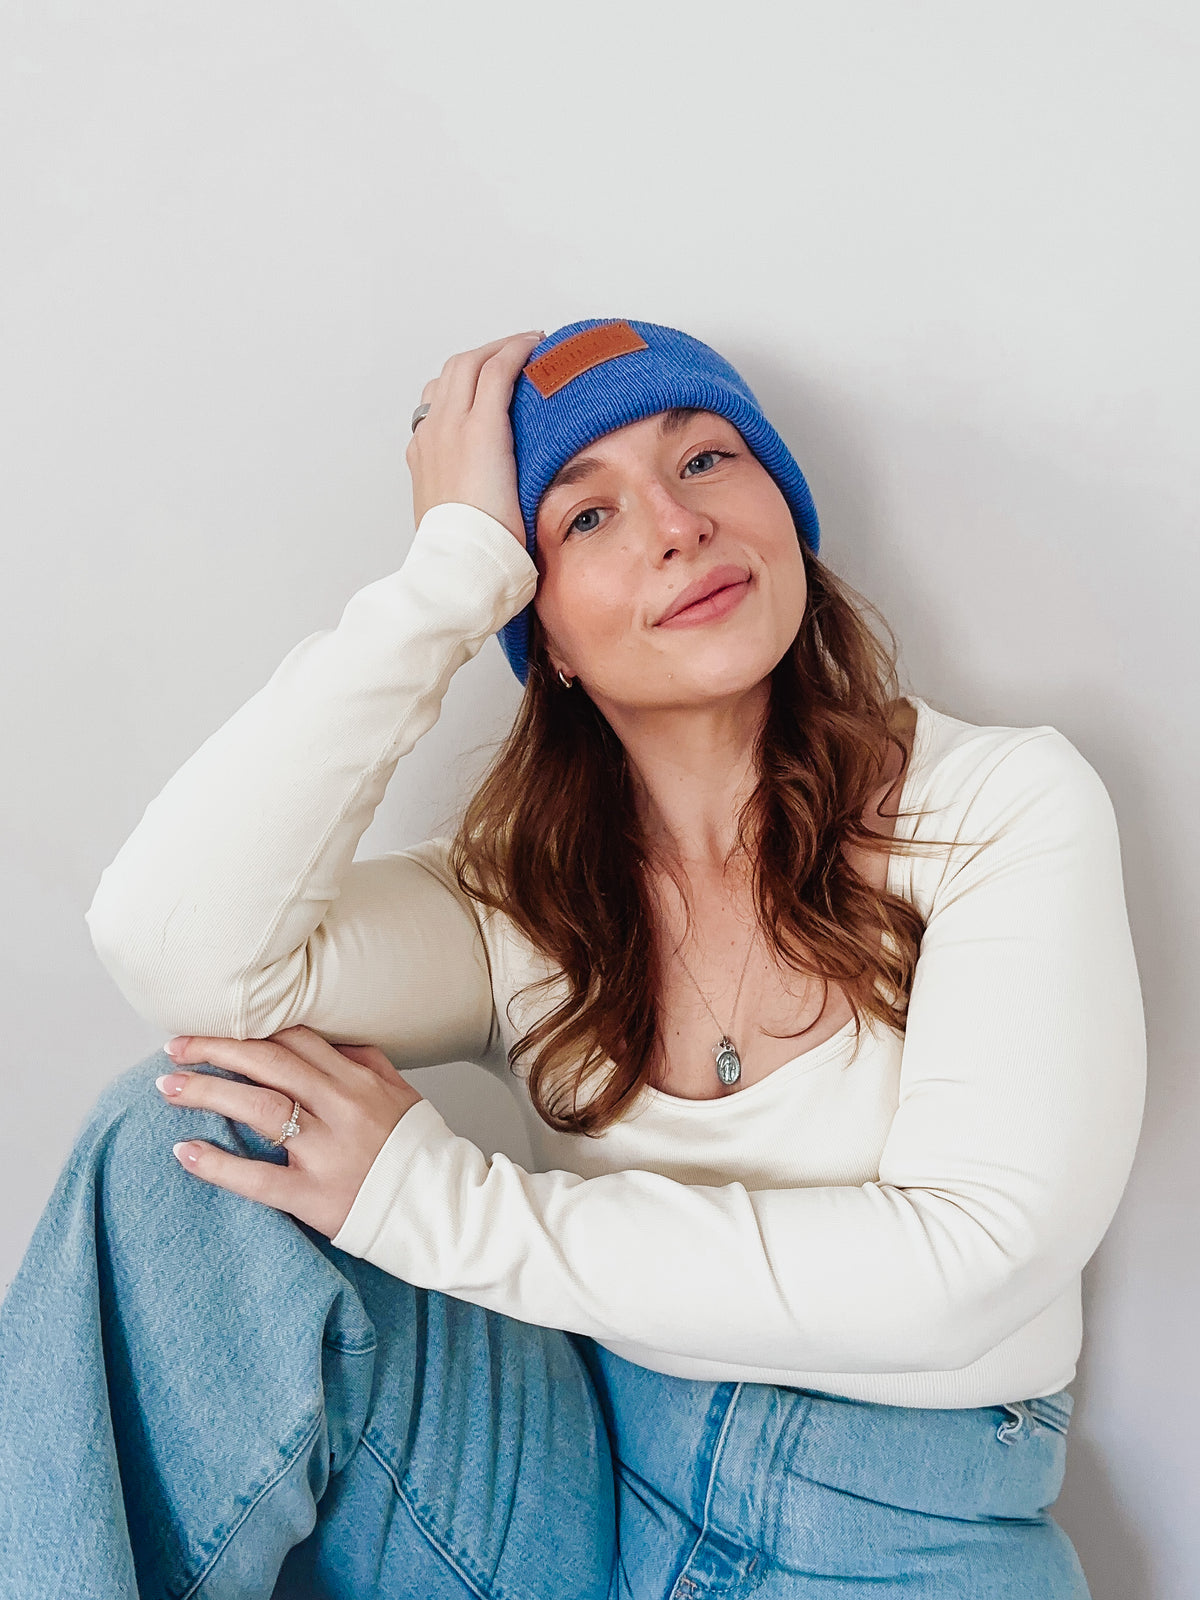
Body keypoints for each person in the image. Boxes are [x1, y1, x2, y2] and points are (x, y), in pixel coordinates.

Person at [0, 319, 1146, 1598]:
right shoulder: (521, 900)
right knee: (179, 1132)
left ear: (784, 507)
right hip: (571, 1503)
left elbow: (968, 1267)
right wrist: (446, 577)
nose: (677, 526)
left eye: (704, 460)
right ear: (537, 623)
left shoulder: (999, 805)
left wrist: (436, 1207)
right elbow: (176, 947)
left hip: (893, 1535)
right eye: (587, 516)